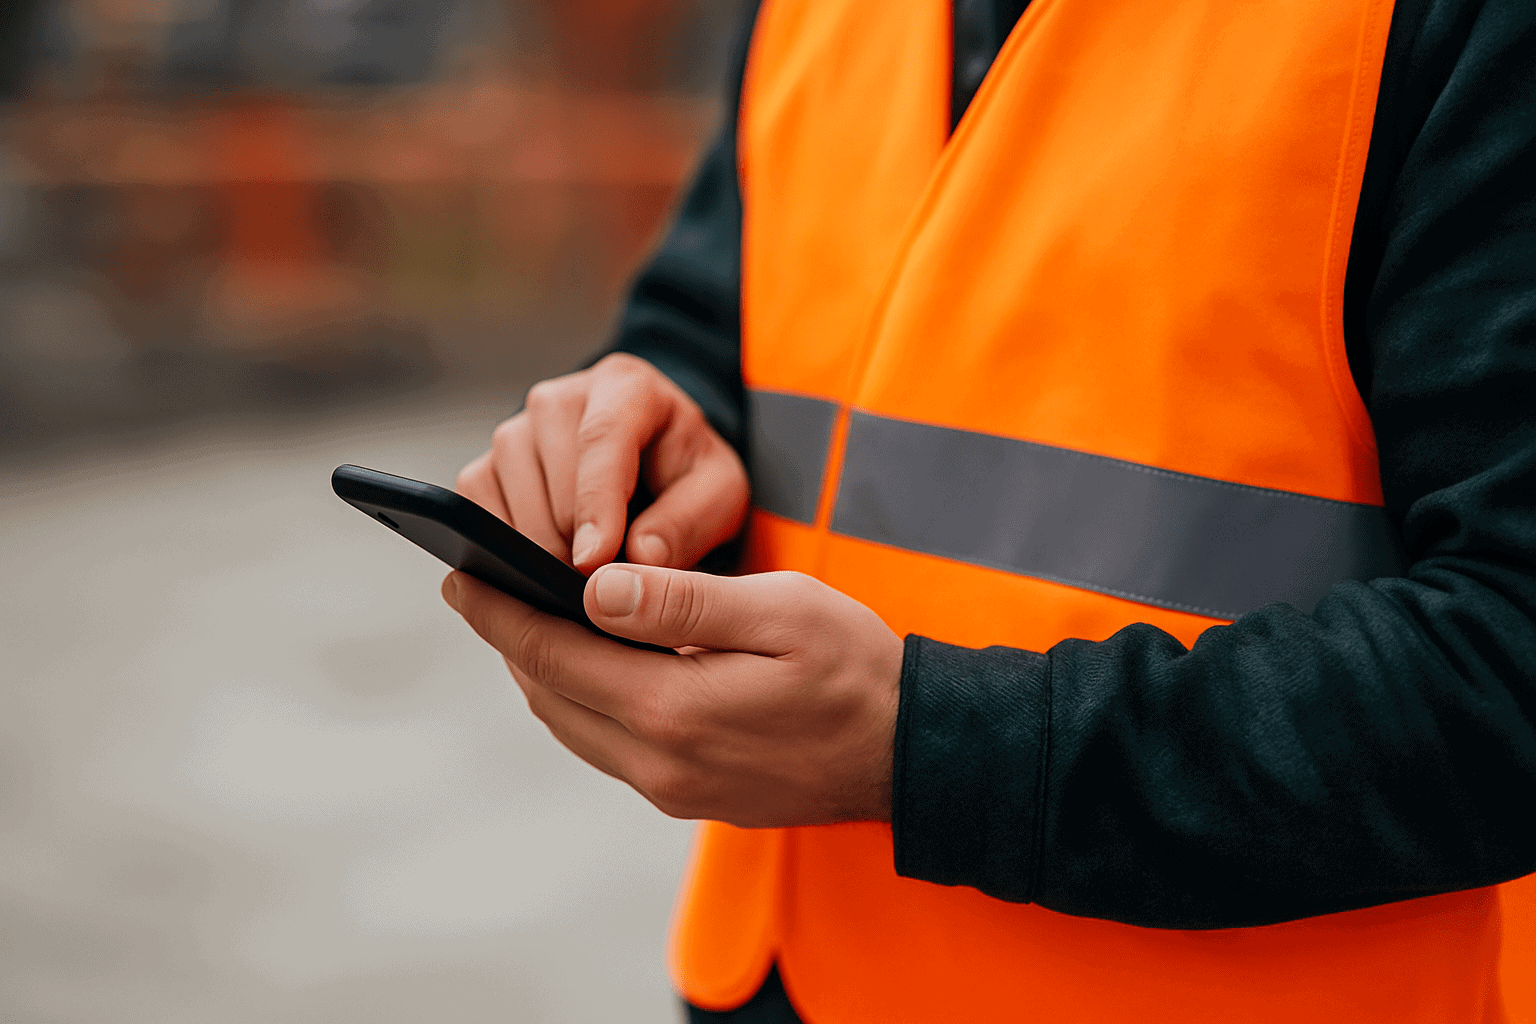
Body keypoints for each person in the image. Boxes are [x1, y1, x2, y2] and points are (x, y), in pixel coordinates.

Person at [443, 0, 1536, 1021]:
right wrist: (641, 430)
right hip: (799, 975)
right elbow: (723, 310)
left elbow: (1508, 651)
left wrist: (931, 750)